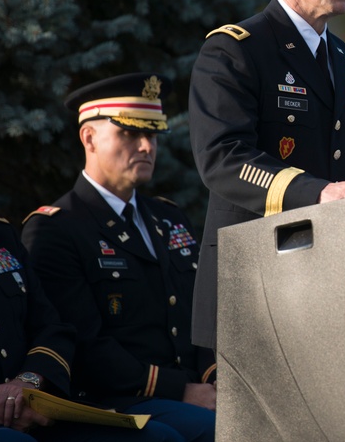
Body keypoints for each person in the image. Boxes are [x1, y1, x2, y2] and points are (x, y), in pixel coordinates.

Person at [187, 0, 345, 350]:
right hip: (254, 281)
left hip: (329, 284)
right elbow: (222, 160)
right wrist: (320, 193)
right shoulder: (236, 49)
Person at [19, 75, 216, 442]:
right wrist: (180, 389)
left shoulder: (168, 217)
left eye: (153, 134)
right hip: (109, 402)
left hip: (191, 393)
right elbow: (84, 343)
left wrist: (212, 377)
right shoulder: (55, 230)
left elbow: (203, 311)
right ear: (89, 138)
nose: (146, 146)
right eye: (128, 133)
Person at [0, 147, 190, 442]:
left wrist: (30, 380)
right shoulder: (55, 225)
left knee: (157, 437)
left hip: (36, 406)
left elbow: (52, 327)